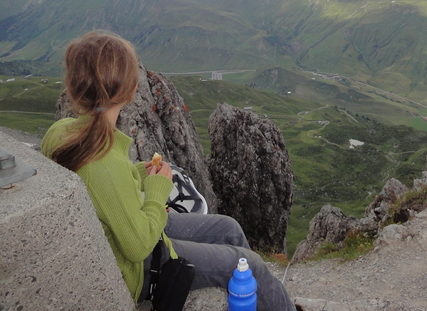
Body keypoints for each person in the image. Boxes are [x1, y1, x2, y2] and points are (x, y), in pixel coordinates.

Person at [41, 31, 297, 310]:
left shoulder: (63, 131)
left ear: (73, 85)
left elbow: (105, 190)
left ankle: (258, 299)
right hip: (139, 266)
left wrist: (140, 173)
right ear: (128, 91)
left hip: (131, 227)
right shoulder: (104, 163)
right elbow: (138, 246)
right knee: (250, 265)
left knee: (229, 228)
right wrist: (155, 191)